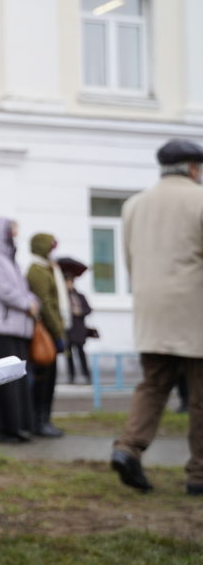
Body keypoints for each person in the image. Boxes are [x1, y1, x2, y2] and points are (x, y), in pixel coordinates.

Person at [111, 138, 203, 496]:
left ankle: (127, 448)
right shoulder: (199, 199)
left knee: (152, 386)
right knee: (200, 398)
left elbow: (131, 259)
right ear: (193, 168)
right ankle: (199, 474)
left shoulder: (135, 204)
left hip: (152, 313)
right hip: (195, 312)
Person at [0, 217, 39, 443]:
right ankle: (3, 430)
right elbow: (2, 289)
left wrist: (34, 302)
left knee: (16, 379)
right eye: (13, 230)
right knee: (2, 381)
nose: (15, 235)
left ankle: (16, 427)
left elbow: (22, 288)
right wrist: (26, 304)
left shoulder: (10, 260)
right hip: (0, 329)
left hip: (16, 329)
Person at [25, 233, 68, 438]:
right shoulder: (37, 271)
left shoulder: (46, 269)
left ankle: (44, 420)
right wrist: (57, 331)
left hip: (51, 331)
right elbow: (47, 304)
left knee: (48, 381)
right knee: (43, 381)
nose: (53, 251)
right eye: (51, 247)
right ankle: (39, 423)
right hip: (46, 333)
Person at [57, 257, 94, 385]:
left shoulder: (80, 296)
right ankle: (71, 376)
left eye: (70, 282)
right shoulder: (62, 297)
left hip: (78, 329)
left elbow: (88, 309)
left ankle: (86, 375)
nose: (69, 284)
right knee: (69, 355)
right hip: (68, 330)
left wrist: (80, 311)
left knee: (81, 353)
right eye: (67, 282)